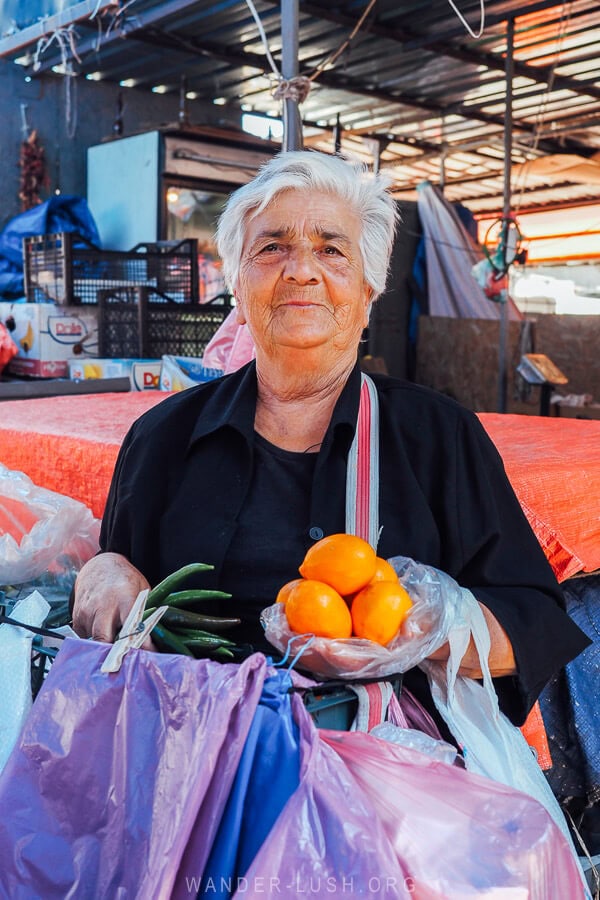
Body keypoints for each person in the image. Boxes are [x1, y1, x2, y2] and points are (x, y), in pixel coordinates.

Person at [73, 149, 589, 734]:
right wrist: (105, 569)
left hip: (392, 777)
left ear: (368, 291)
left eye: (331, 249)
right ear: (238, 285)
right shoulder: (163, 437)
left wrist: (435, 631)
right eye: (271, 248)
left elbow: (534, 621)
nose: (300, 270)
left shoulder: (439, 437)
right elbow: (119, 585)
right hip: (187, 752)